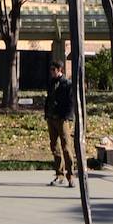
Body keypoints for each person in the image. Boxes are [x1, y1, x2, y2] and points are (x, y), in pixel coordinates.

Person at [45, 59, 75, 188]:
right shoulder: (51, 83)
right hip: (51, 118)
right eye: (51, 69)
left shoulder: (67, 84)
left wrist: (66, 116)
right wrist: (46, 114)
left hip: (62, 119)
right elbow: (49, 98)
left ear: (59, 70)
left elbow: (71, 102)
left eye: (53, 70)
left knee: (66, 147)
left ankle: (71, 175)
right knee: (54, 147)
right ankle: (59, 174)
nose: (51, 72)